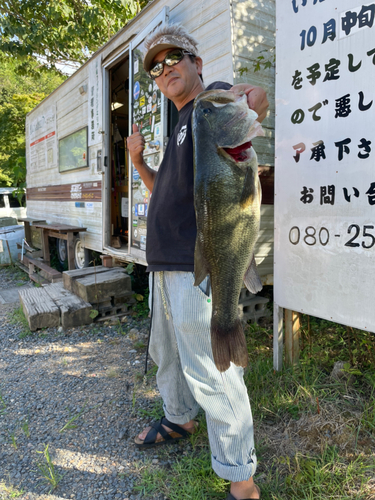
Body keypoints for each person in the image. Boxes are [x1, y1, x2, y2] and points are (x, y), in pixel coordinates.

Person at [127, 23, 269, 500]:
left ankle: (241, 479)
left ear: (196, 63)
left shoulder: (213, 104)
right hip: (163, 265)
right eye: (157, 67)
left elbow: (253, 100)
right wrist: (139, 163)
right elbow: (164, 194)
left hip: (197, 265)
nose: (165, 69)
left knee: (213, 371)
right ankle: (178, 418)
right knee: (167, 357)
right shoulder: (181, 124)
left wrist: (253, 97)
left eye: (174, 59)